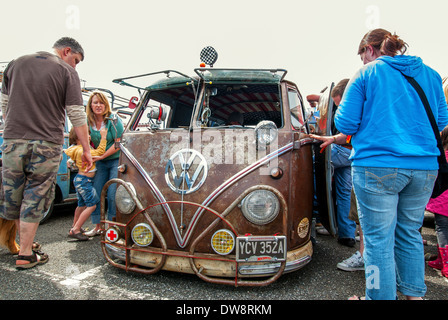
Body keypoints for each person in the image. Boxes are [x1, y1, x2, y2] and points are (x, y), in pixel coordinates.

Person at [335, 28, 448, 300]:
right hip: (424, 168)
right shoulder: (431, 75)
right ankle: (414, 296)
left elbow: (346, 123)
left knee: (377, 240)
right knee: (409, 233)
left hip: (376, 166)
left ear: (370, 50)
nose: (363, 60)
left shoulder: (366, 73)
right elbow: (442, 121)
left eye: (363, 55)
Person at [0, 37, 92, 269]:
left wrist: (15, 128)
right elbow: (76, 113)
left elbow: (4, 105)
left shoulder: (14, 64)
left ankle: (21, 246)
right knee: (35, 196)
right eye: (76, 60)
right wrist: (87, 151)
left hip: (12, 141)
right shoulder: (67, 72)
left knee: (12, 197)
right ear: (67, 51)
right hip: (46, 143)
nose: (75, 66)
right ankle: (25, 254)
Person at [84, 91, 124, 237]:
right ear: (91, 105)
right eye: (95, 102)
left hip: (114, 159)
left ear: (106, 105)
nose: (98, 105)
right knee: (96, 191)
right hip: (99, 161)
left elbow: (119, 142)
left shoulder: (114, 120)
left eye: (101, 102)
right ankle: (98, 226)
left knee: (113, 193)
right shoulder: (88, 121)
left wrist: (101, 156)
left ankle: (112, 226)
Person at [64, 127, 107, 241]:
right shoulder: (83, 150)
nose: (89, 136)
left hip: (79, 179)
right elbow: (99, 152)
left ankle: (75, 226)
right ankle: (76, 229)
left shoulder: (76, 149)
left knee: (81, 205)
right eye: (86, 134)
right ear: (79, 136)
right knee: (92, 205)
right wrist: (103, 137)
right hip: (85, 181)